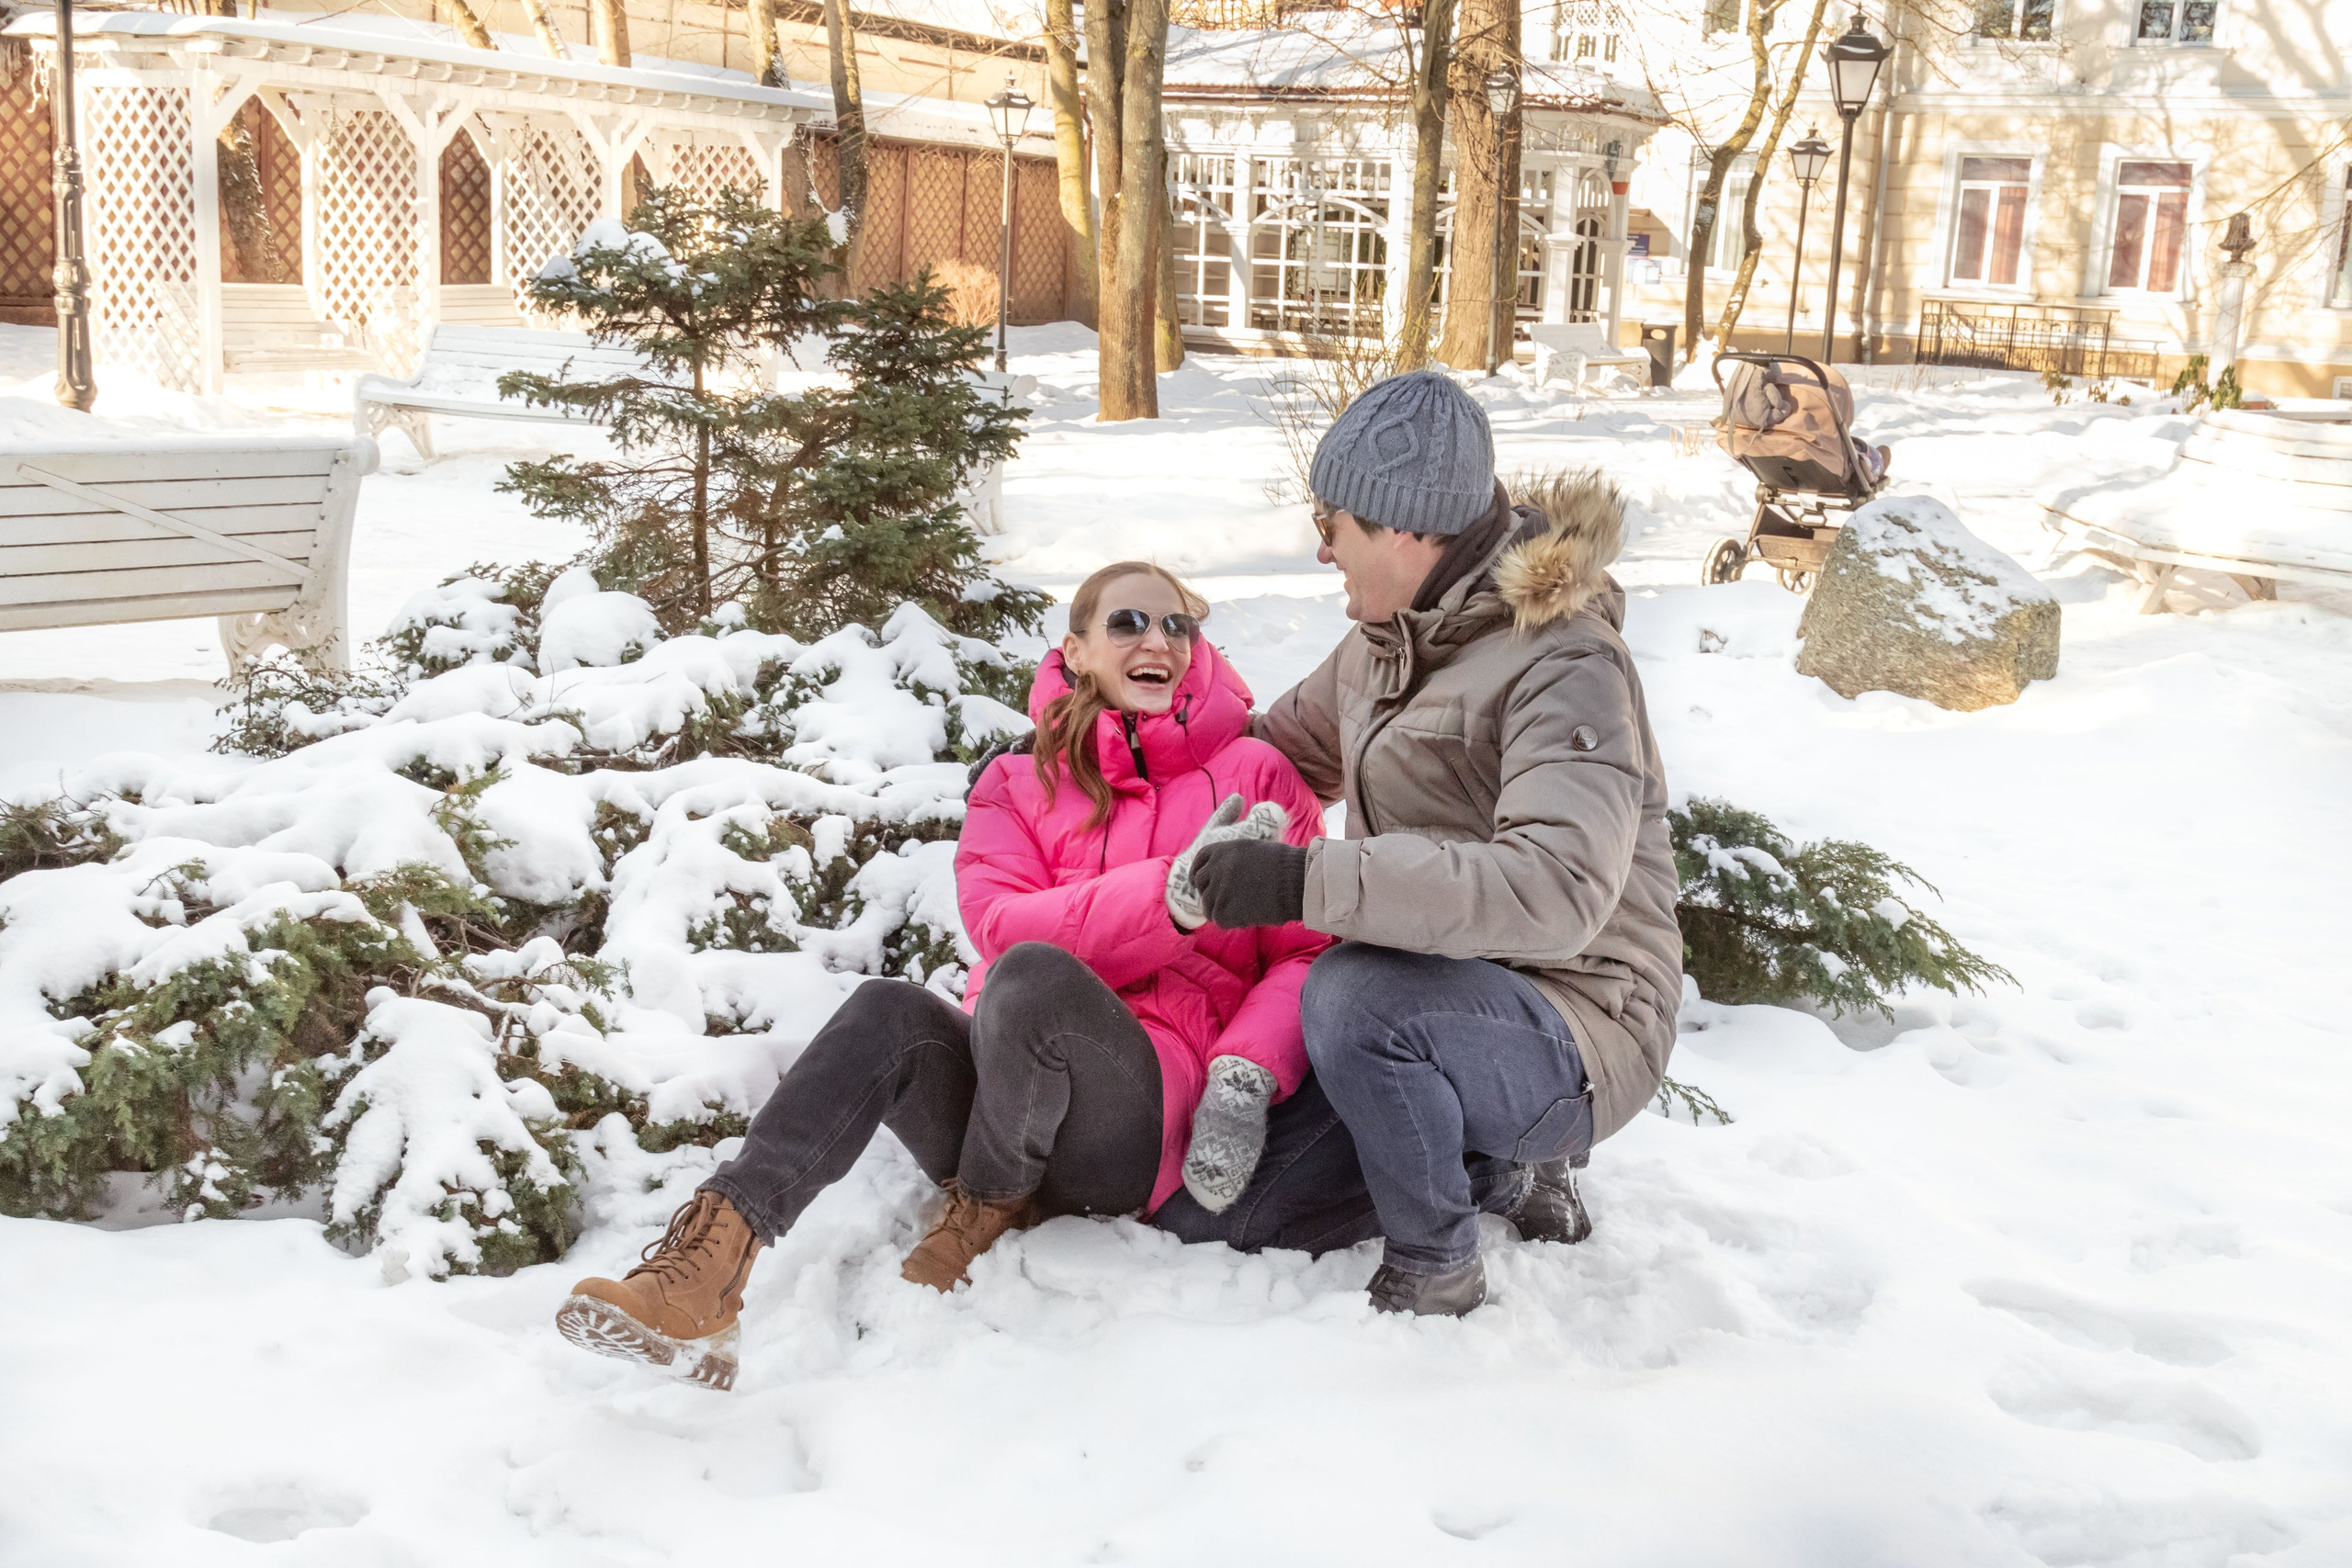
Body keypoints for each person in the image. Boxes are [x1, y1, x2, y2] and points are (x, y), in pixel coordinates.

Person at [557, 561, 1331, 1390]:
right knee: (888, 1009)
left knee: (1034, 981)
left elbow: (1304, 952)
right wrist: (1166, 899)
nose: (1159, 641)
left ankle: (988, 1204)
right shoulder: (1018, 780)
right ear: (1075, 650)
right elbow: (998, 919)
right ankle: (709, 1263)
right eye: (1129, 622)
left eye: (1178, 625)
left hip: (1133, 1120)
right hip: (1008, 1087)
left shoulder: (1257, 774)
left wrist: (1242, 1075)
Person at [1157, 371, 1684, 1319]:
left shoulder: (1568, 662)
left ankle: (1436, 1260)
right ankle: (1499, 1170)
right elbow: (1273, 754)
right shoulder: (1386, 642)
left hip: (1580, 1022)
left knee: (1352, 993)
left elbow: (1555, 890)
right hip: (1431, 992)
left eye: (1333, 524)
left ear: (1403, 529)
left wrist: (1305, 881)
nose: (1322, 548)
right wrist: (1088, 757)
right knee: (1243, 1212)